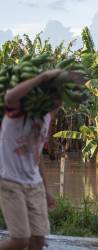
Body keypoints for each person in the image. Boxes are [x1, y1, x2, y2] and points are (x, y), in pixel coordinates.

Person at [0, 69, 62, 250]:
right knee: (20, 240)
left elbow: (36, 155)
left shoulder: (47, 117)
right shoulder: (18, 111)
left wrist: (46, 189)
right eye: (57, 97)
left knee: (38, 241)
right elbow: (10, 97)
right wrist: (42, 77)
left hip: (34, 184)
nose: (60, 102)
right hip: (10, 181)